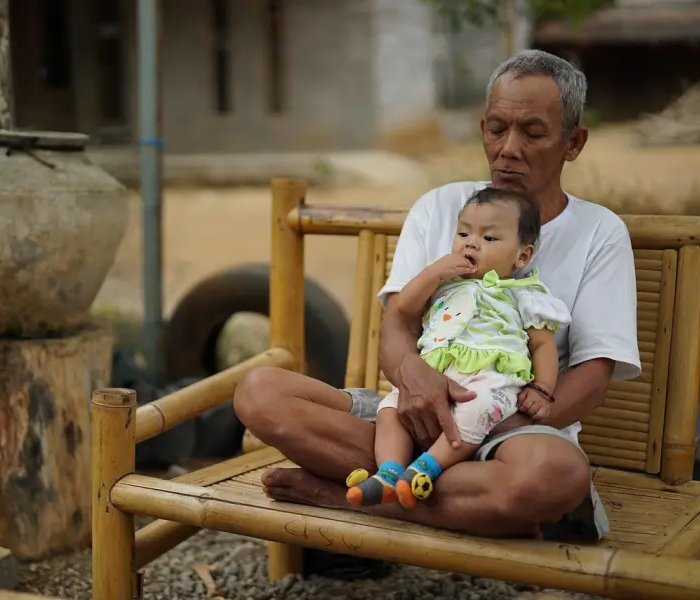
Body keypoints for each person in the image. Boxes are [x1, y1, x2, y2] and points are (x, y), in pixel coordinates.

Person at [233, 48, 640, 542]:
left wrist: (485, 424)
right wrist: (418, 385)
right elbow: (398, 325)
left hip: (511, 428)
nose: (508, 148)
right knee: (260, 393)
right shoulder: (442, 206)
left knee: (556, 476)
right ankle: (461, 497)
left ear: (573, 143)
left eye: (532, 133)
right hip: (409, 409)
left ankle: (342, 495)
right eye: (496, 129)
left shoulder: (600, 231)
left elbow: (594, 374)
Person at [345, 186, 571, 511]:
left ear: (522, 256)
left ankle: (426, 468)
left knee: (476, 411)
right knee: (391, 408)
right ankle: (389, 472)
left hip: (490, 379)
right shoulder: (443, 284)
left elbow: (542, 344)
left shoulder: (525, 294)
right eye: (463, 233)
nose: (471, 242)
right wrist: (433, 272)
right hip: (434, 374)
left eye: (489, 238)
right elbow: (403, 309)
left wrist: (543, 388)